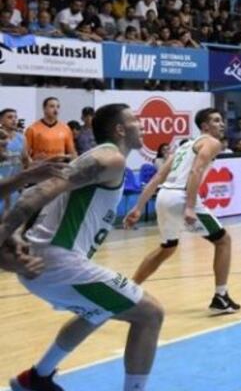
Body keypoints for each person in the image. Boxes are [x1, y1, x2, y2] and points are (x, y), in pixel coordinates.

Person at [1, 104, 165, 391]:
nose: (142, 126)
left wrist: (13, 230)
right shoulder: (109, 158)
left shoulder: (101, 159)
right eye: (136, 121)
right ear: (120, 129)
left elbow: (32, 192)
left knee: (98, 310)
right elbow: (39, 192)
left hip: (45, 261)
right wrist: (4, 233)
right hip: (57, 262)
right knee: (151, 314)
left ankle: (36, 378)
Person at [124, 108, 241, 314]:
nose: (221, 124)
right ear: (204, 126)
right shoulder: (212, 143)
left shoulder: (185, 145)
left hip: (163, 196)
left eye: (222, 120)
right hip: (180, 197)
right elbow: (196, 171)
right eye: (216, 120)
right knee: (223, 241)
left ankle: (128, 290)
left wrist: (138, 207)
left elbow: (159, 176)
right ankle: (220, 297)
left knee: (167, 248)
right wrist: (189, 206)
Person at [25, 98, 77, 163]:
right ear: (44, 109)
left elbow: (72, 152)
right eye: (52, 106)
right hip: (40, 168)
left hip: (59, 168)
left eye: (58, 107)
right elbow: (25, 154)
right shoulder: (32, 129)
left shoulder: (65, 128)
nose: (56, 110)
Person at [0, 108, 28, 213]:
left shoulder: (22, 138)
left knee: (11, 220)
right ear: (1, 121)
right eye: (10, 117)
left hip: (14, 186)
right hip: (1, 184)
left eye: (15, 117)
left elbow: (25, 160)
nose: (14, 120)